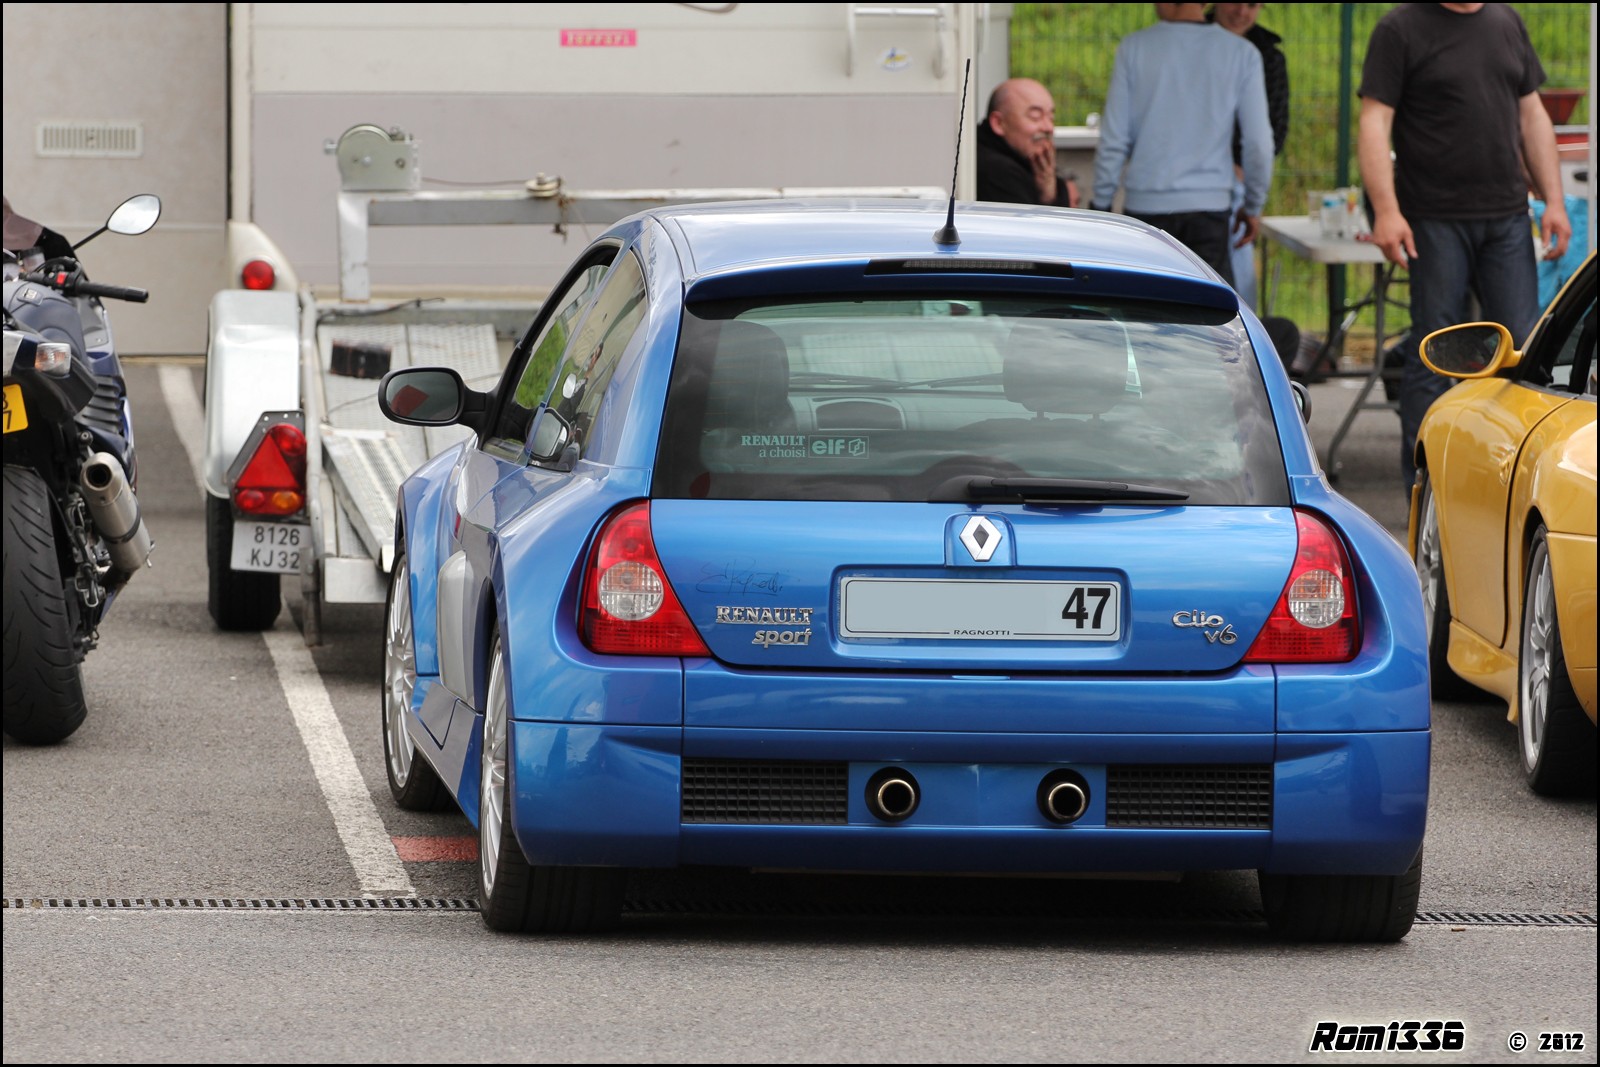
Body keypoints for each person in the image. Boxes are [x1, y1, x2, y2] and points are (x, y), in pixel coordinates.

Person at [1357, 2, 1571, 489]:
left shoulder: (1506, 22)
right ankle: (1426, 487)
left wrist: (1554, 201)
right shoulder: (1400, 29)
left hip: (1507, 217)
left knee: (1522, 352)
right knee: (1435, 350)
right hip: (1433, 219)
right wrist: (1386, 211)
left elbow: (1532, 116)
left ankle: (1510, 480)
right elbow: (1374, 122)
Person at [1089, 3, 1273, 287]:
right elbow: (1259, 143)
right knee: (1208, 311)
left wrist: (1100, 204)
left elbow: (1114, 138)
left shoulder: (1134, 48)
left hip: (1146, 209)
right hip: (1209, 209)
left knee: (1146, 307)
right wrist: (1252, 205)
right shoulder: (1241, 53)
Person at [1208, 2, 1289, 308]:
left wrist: (1243, 172)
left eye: (1252, 5)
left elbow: (1274, 129)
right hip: (1192, 174)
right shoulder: (1189, 40)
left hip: (1237, 181)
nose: (1242, 12)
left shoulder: (1268, 56)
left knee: (1238, 283)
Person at [977, 78, 1080, 208]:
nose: (1048, 127)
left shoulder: (1025, 161)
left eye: (1051, 118)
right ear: (998, 123)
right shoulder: (998, 171)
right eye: (1035, 116)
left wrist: (1048, 194)